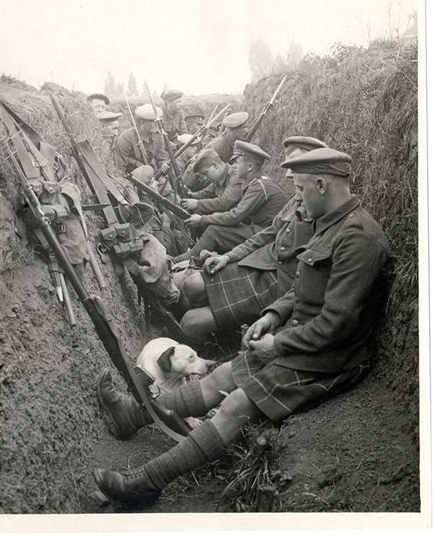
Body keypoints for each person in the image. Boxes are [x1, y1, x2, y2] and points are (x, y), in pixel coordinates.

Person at [92, 147, 391, 509]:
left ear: (322, 184)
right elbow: (301, 286)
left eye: (300, 188)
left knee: (235, 404)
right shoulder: (329, 222)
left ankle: (147, 482)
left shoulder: (357, 238)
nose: (296, 198)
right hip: (301, 335)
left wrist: (277, 344)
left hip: (329, 355)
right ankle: (133, 416)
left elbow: (337, 324)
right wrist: (272, 315)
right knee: (222, 377)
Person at [177, 136, 326, 342]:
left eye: (296, 168)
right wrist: (228, 257)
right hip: (261, 261)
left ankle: (219, 334)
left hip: (277, 282)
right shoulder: (294, 201)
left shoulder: (326, 217)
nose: (289, 175)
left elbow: (237, 214)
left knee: (190, 320)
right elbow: (269, 233)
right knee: (191, 286)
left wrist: (202, 217)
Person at [176, 141, 288, 261]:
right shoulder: (256, 182)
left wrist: (202, 219)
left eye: (237, 163)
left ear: (250, 167)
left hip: (269, 235)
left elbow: (236, 215)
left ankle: (186, 259)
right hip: (262, 229)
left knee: (214, 231)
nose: (233, 166)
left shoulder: (259, 186)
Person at [112, 103, 170, 179]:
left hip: (155, 174)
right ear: (142, 122)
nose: (157, 124)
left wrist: (163, 164)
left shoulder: (157, 135)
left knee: (168, 190)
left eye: (158, 121)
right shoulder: (125, 139)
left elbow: (161, 158)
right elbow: (120, 169)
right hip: (134, 178)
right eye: (153, 121)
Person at [181, 148, 242, 216]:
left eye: (205, 173)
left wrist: (197, 203)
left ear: (215, 165)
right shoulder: (219, 178)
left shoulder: (235, 176)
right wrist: (190, 195)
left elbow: (225, 202)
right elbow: (206, 193)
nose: (205, 177)